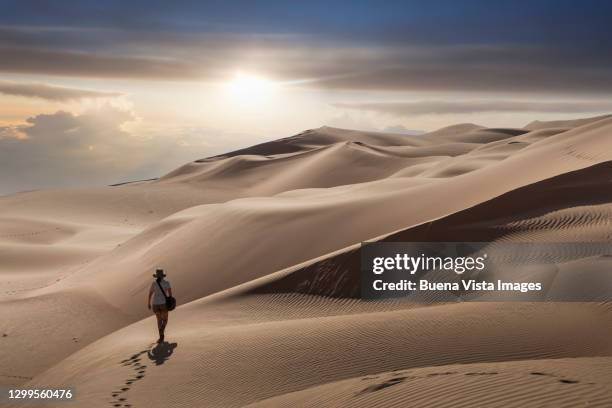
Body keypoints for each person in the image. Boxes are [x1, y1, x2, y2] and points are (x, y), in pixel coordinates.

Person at [147, 268, 172, 343]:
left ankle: (161, 336)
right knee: (165, 319)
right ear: (163, 276)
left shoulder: (154, 283)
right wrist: (170, 302)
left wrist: (148, 303)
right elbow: (170, 294)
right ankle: (162, 329)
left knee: (159, 320)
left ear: (157, 276)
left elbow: (150, 293)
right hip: (163, 304)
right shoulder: (167, 283)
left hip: (155, 304)